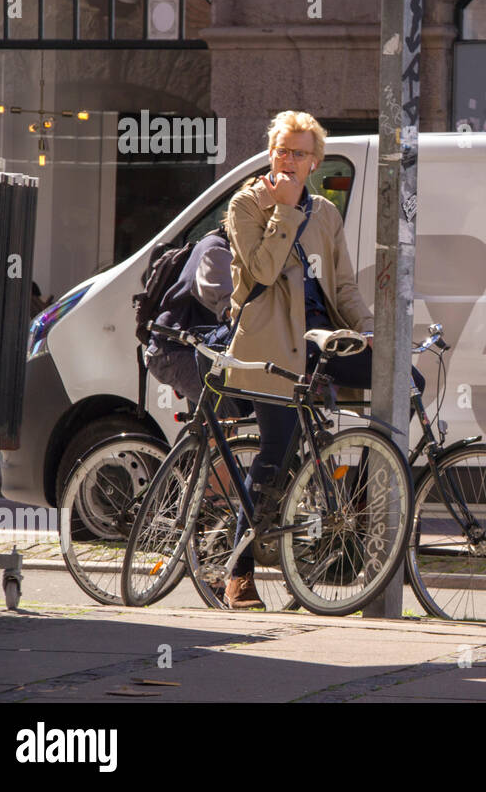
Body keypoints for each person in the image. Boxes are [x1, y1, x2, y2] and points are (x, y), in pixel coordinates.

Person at [222, 110, 376, 610]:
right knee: (276, 449)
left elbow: (344, 286)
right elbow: (262, 272)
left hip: (320, 340)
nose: (289, 161)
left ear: (316, 162)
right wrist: (283, 209)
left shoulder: (327, 214)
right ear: (271, 153)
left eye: (300, 153)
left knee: (404, 379)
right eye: (282, 150)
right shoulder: (247, 204)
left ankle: (352, 530)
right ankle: (238, 571)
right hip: (269, 346)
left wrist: (370, 329)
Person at [143, 223, 237, 410]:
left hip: (195, 349)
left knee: (220, 417)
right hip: (175, 351)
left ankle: (203, 438)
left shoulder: (222, 247)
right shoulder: (216, 249)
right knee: (227, 410)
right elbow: (231, 310)